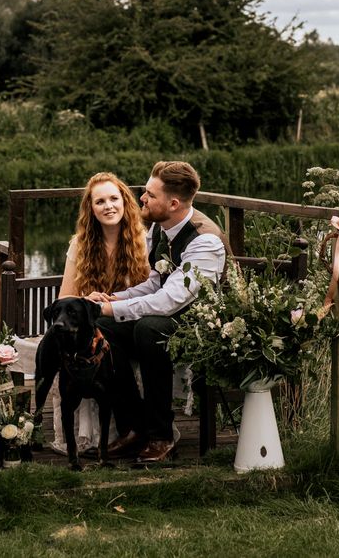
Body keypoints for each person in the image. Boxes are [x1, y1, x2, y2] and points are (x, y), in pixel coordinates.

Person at [90, 161, 229, 463]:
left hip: (203, 325)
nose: (141, 199)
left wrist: (112, 306)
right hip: (170, 314)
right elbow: (156, 282)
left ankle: (161, 436)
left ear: (174, 203)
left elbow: (168, 301)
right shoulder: (160, 227)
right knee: (104, 325)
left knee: (149, 328)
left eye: (150, 195)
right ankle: (133, 428)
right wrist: (113, 300)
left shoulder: (205, 241)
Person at [38, 172, 150, 455]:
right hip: (98, 325)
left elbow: (152, 291)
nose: (108, 206)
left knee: (108, 336)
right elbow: (65, 296)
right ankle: (134, 429)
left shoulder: (142, 239)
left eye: (114, 198)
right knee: (103, 339)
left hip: (132, 321)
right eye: (100, 201)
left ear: (125, 202)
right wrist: (86, 299)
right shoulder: (81, 243)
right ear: (91, 208)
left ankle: (133, 428)